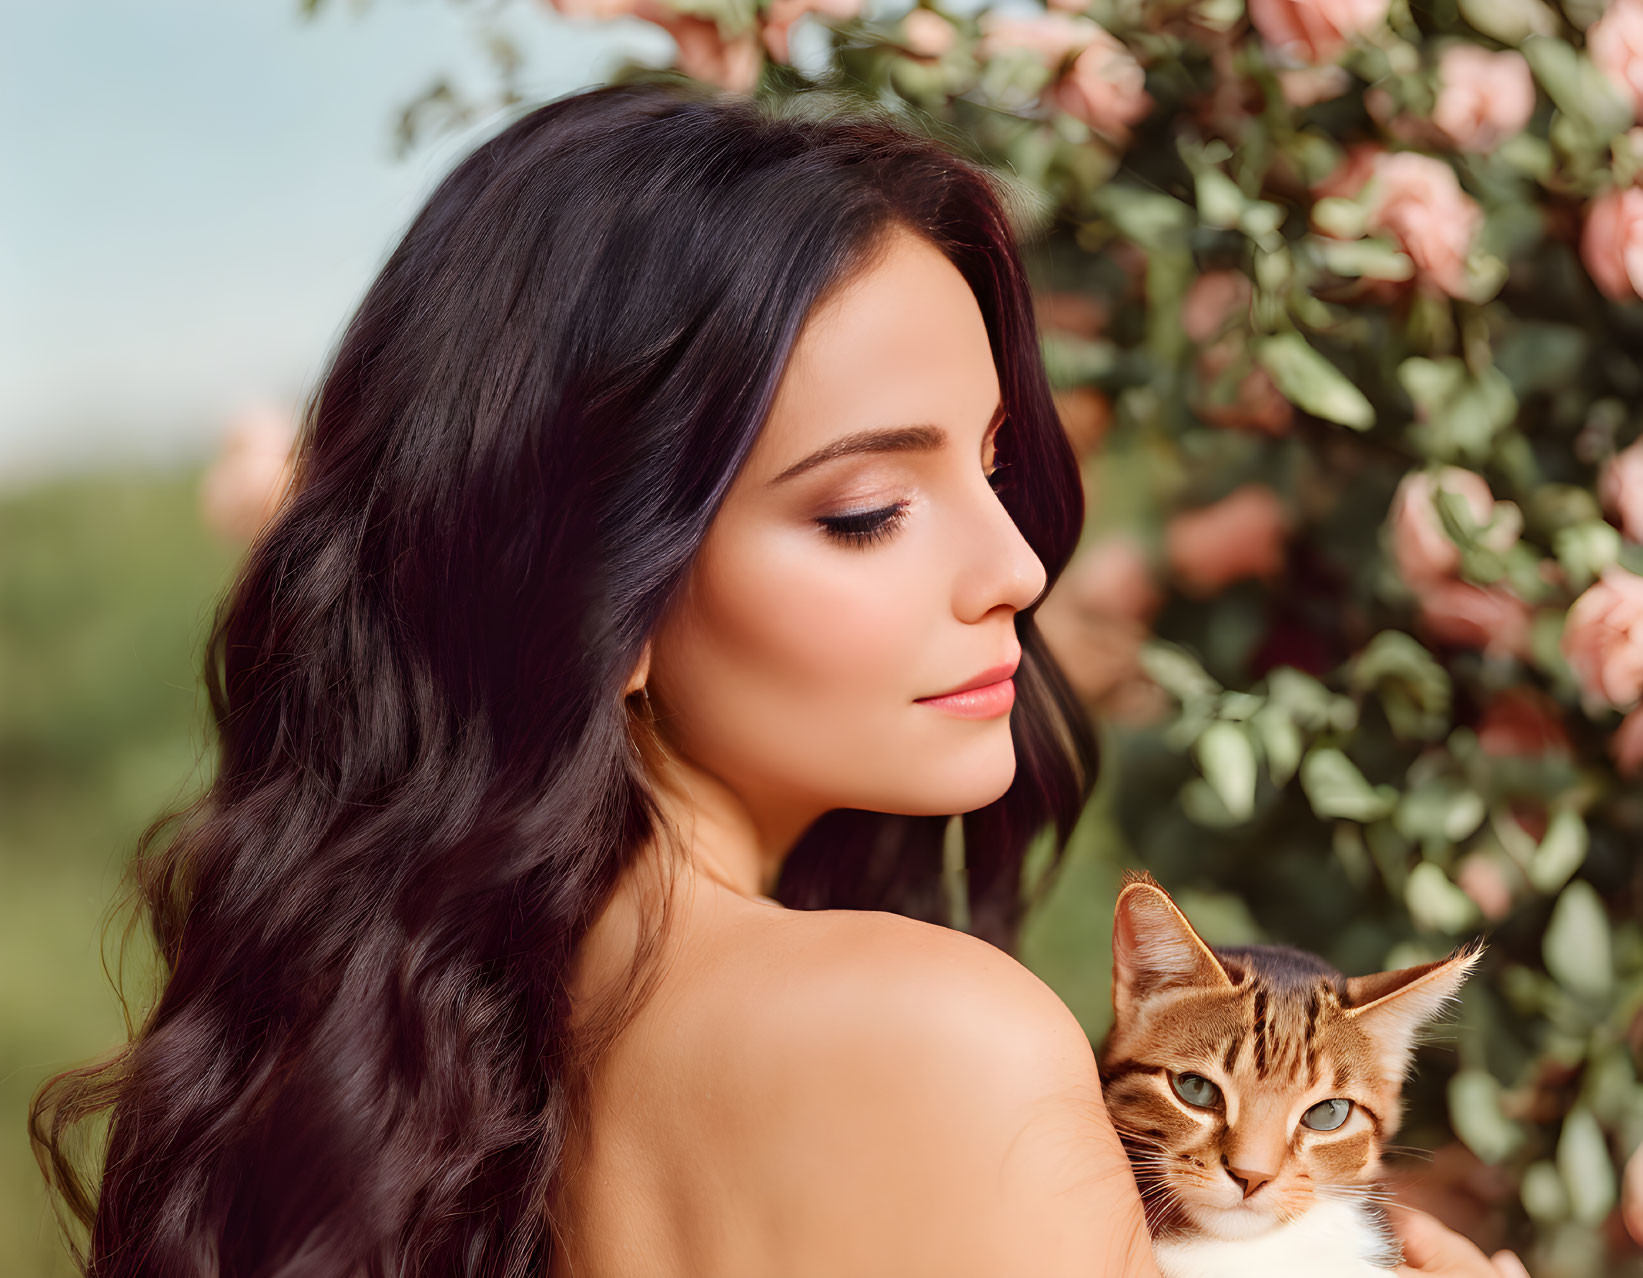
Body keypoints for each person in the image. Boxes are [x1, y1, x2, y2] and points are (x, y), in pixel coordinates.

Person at [30, 78, 1523, 1278]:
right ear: (599, 602)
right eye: (867, 507)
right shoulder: (948, 1041)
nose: (1016, 564)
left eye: (996, 466)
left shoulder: (435, 1078)